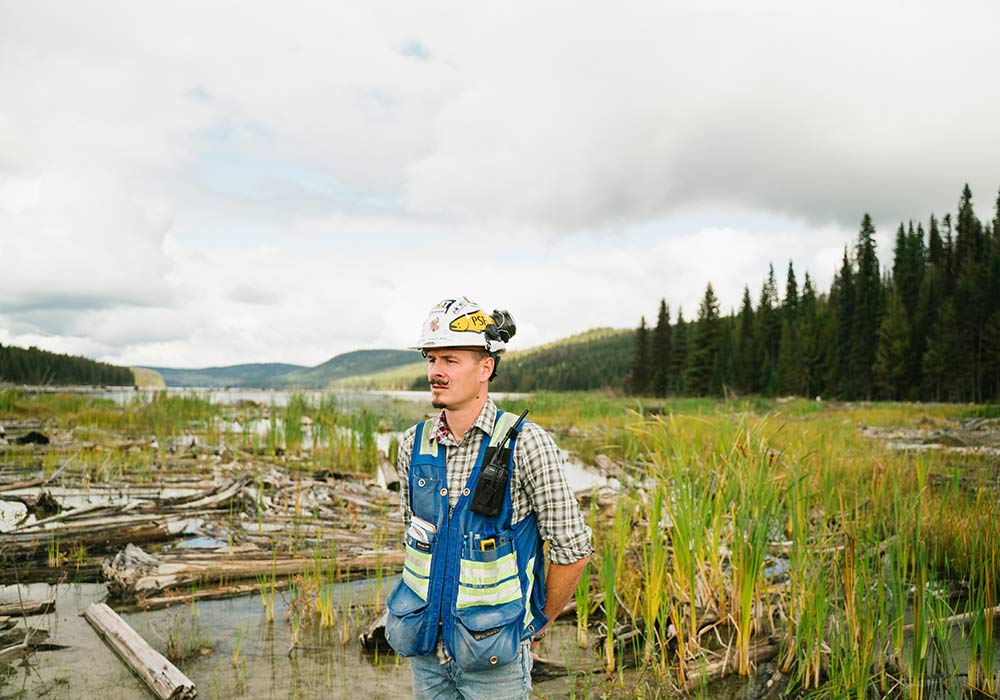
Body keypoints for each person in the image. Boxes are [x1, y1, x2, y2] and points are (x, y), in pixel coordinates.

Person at [384, 296, 593, 700]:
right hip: (424, 654)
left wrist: (535, 626)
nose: (436, 372)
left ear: (486, 367)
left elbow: (574, 550)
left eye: (450, 360)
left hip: (496, 667)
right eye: (431, 359)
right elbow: (412, 541)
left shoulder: (527, 444)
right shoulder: (413, 444)